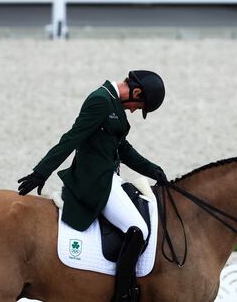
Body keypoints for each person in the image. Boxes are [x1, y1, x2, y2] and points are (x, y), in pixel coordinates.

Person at [18, 70, 168, 302]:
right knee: (138, 228)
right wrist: (41, 172)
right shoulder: (100, 101)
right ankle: (122, 295)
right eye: (139, 106)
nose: (134, 110)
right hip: (94, 181)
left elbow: (122, 148)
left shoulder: (112, 103)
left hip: (109, 177)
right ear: (136, 92)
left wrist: (153, 169)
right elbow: (72, 138)